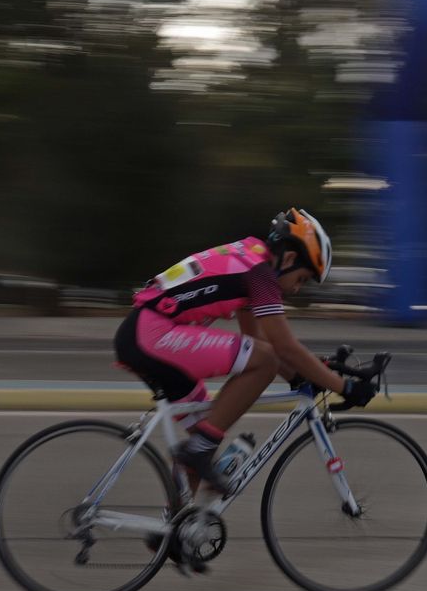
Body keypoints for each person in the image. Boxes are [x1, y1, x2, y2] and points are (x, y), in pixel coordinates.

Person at [114, 208, 377, 497]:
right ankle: (196, 452)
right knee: (206, 439)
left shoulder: (250, 257)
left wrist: (302, 376)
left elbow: (256, 338)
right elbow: (281, 348)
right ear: (289, 259)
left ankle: (172, 534)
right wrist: (344, 387)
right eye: (302, 278)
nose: (298, 289)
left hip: (145, 335)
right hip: (153, 336)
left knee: (203, 440)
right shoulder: (261, 275)